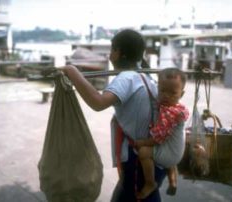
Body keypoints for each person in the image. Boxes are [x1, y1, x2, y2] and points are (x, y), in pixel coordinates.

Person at [58, 29, 169, 201]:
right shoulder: (146, 77)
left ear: (118, 53)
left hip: (137, 159)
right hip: (151, 156)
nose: (110, 55)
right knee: (144, 195)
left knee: (134, 195)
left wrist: (72, 71)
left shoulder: (127, 78)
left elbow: (98, 102)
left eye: (112, 50)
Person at [133, 68, 189, 199]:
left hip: (171, 154)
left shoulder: (171, 113)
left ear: (182, 94)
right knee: (168, 154)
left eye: (172, 93)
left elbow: (158, 138)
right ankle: (173, 180)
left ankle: (150, 183)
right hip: (175, 150)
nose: (166, 96)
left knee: (144, 152)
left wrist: (142, 142)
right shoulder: (176, 107)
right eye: (162, 90)